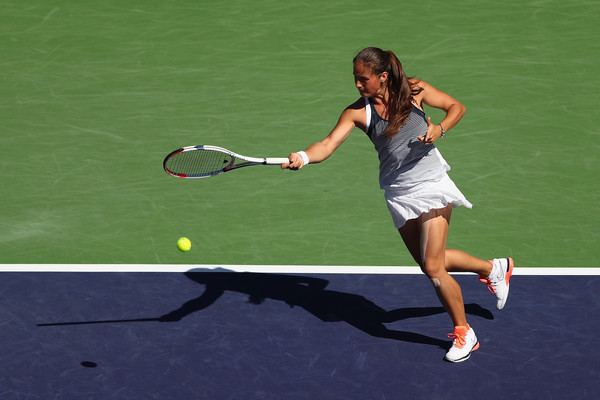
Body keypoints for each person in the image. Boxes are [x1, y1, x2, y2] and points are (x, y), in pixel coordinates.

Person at [282, 47, 514, 363]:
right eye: (355, 79)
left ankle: (464, 333)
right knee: (432, 261)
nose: (358, 85)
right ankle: (493, 268)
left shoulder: (414, 90)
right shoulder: (357, 112)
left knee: (433, 267)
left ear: (383, 76)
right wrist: (304, 156)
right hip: (398, 193)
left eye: (363, 79)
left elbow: (456, 106)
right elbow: (327, 144)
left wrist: (440, 128)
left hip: (431, 184)